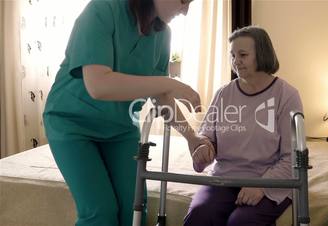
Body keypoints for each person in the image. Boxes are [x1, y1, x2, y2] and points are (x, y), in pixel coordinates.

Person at [42, 0, 213, 226]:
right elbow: (98, 85)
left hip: (119, 128)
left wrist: (192, 138)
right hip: (72, 124)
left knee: (135, 211)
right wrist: (167, 83)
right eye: (183, 0)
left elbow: (161, 97)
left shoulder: (163, 35)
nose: (185, 10)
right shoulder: (103, 10)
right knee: (101, 213)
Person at [184, 26, 303, 226]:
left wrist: (262, 187)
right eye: (232, 55)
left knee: (241, 221)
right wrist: (203, 149)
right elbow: (207, 137)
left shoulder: (286, 95)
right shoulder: (224, 93)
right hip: (224, 178)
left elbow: (291, 157)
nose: (235, 61)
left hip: (268, 180)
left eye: (243, 54)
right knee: (199, 214)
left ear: (262, 54)